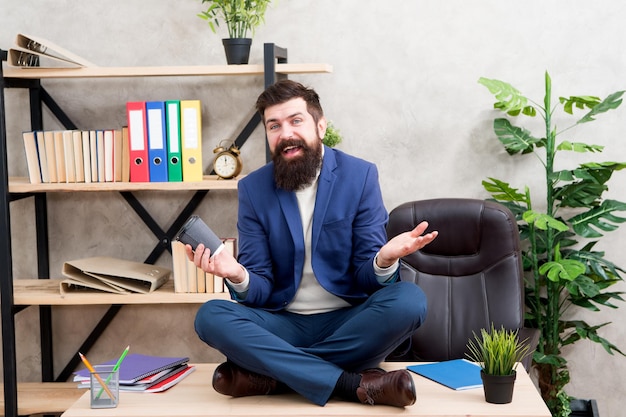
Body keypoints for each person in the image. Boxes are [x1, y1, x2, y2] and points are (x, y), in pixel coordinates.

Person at [187, 79, 438, 408]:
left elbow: (366, 279)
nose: (285, 133)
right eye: (274, 125)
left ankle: (275, 375)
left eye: (295, 120)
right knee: (211, 316)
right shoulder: (254, 189)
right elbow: (259, 289)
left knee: (409, 300)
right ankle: (351, 383)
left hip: (349, 320)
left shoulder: (359, 176)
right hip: (283, 323)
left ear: (320, 125)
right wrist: (237, 274)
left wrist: (383, 261)